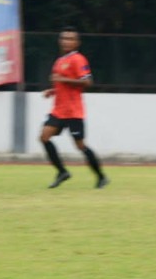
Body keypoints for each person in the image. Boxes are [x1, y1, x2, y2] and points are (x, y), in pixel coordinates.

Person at [40, 27, 108, 189]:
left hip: (73, 112)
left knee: (80, 146)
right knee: (44, 137)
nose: (66, 41)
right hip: (58, 111)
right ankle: (62, 172)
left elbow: (87, 82)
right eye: (64, 38)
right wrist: (53, 90)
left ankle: (101, 176)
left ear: (77, 43)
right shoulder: (59, 61)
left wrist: (63, 80)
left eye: (70, 39)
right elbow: (62, 85)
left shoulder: (78, 59)